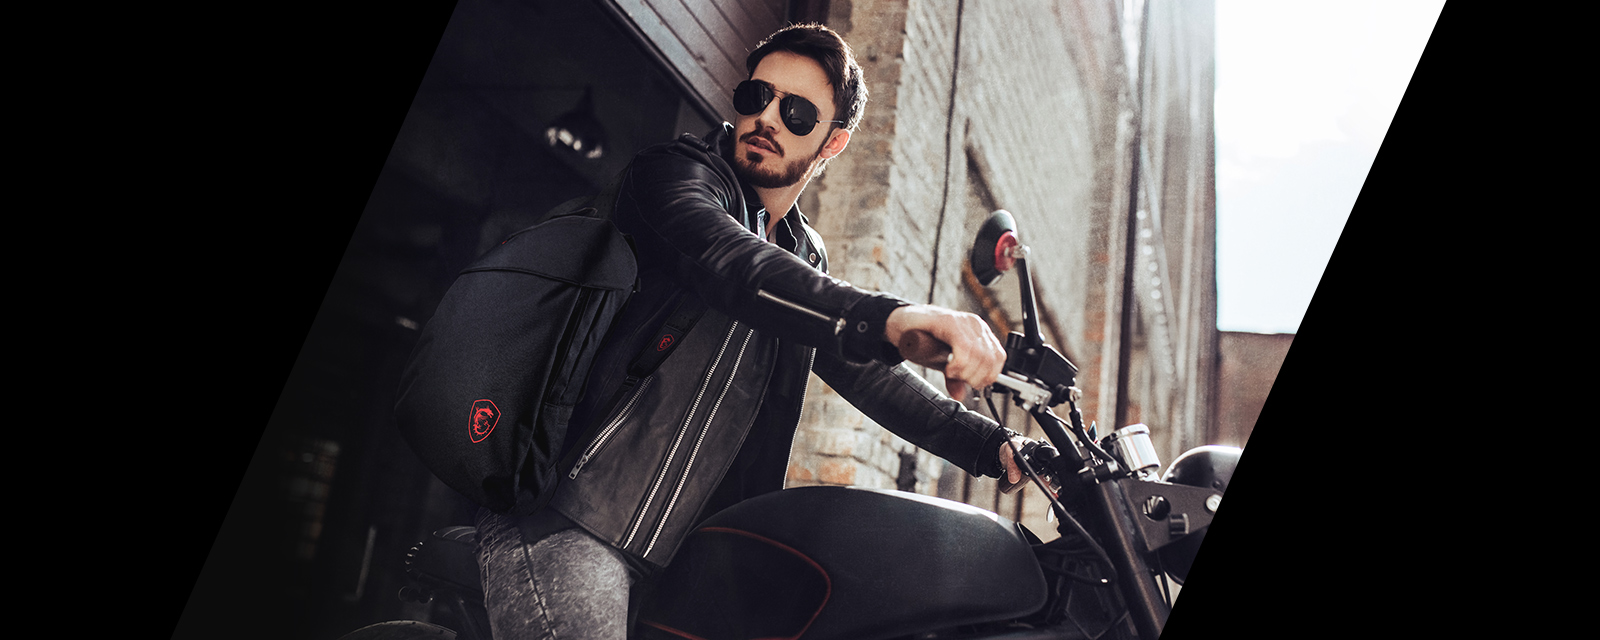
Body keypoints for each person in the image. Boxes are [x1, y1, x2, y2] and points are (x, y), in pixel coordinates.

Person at [474, 23, 1036, 639]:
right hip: (567, 522)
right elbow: (727, 262)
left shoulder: (801, 257)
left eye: (795, 111)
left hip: (694, 556)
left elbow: (871, 376)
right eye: (755, 97)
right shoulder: (673, 180)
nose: (767, 117)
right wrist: (888, 315)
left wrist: (997, 447)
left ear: (833, 142)